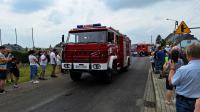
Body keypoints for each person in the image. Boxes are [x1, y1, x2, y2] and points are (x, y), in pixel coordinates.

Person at [169, 44, 200, 112]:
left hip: (184, 102)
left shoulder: (183, 70)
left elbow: (171, 82)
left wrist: (172, 69)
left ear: (188, 56)